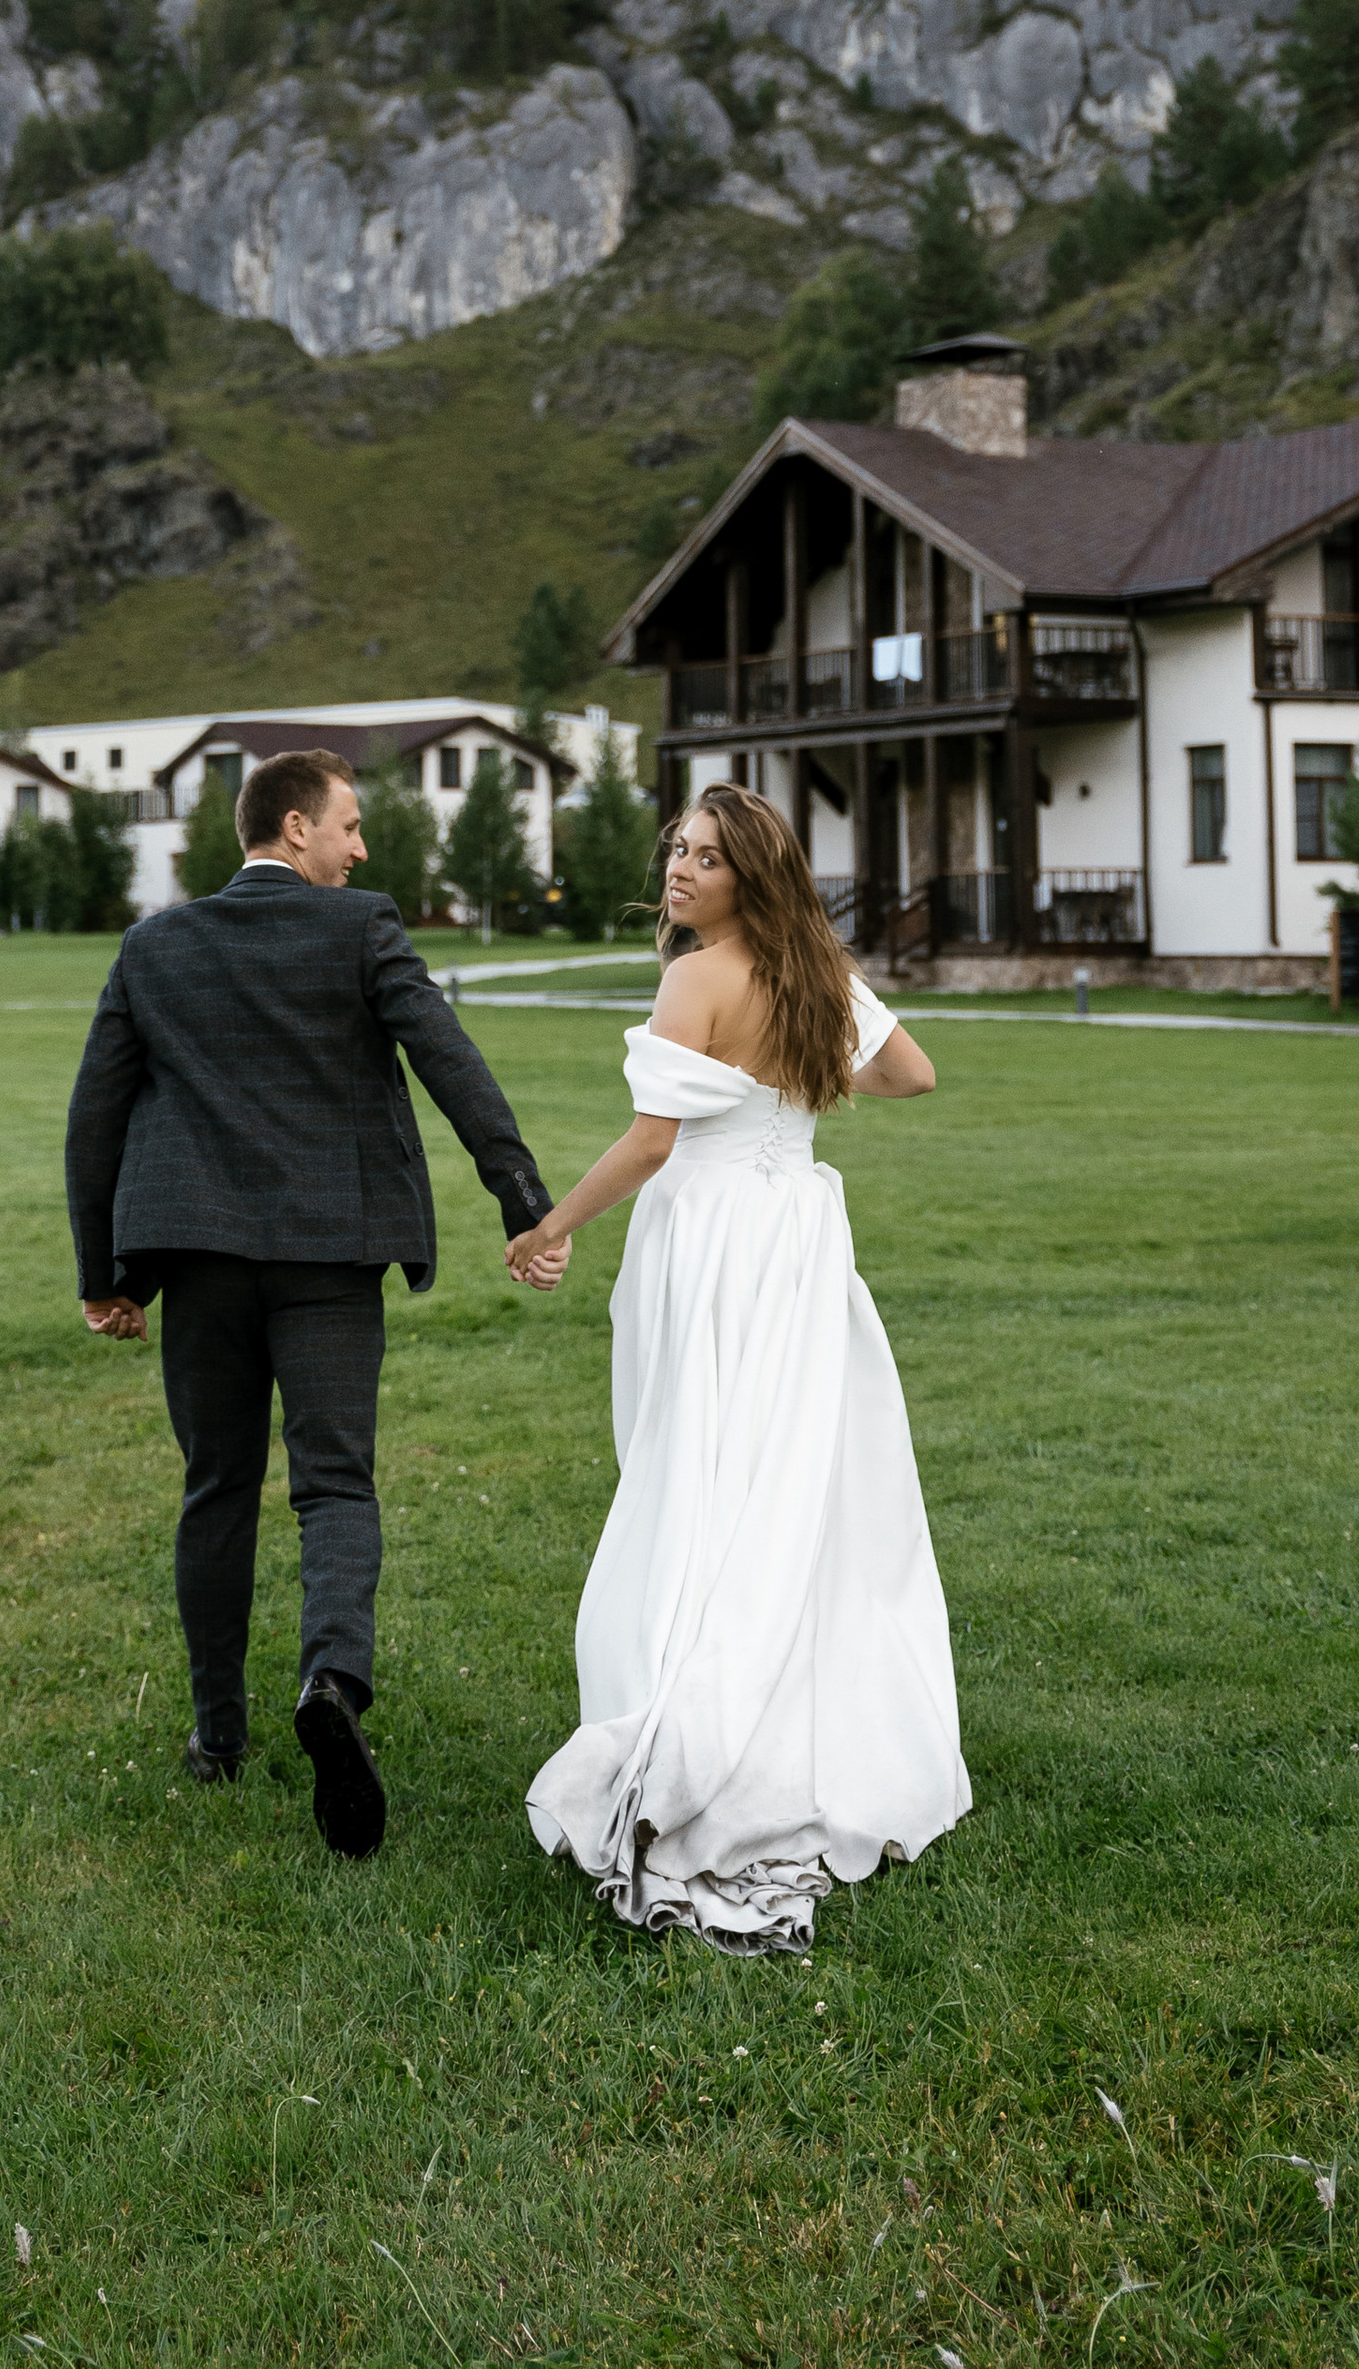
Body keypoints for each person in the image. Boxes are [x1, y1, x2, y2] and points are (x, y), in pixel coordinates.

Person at [65, 747, 553, 1861]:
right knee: (334, 1483)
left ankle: (217, 1736)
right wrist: (517, 1193)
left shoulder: (154, 946)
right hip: (331, 1256)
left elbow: (96, 1115)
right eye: (349, 827)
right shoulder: (363, 926)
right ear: (294, 829)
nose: (362, 848)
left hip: (197, 1260)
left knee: (217, 1485)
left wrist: (105, 1274)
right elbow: (446, 1055)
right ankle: (331, 1682)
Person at [508, 781, 971, 1954]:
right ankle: (808, 1711)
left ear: (747, 875)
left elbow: (653, 1141)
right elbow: (909, 1074)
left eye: (704, 860)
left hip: (712, 1239)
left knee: (697, 1467)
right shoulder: (817, 971)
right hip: (801, 1239)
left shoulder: (697, 975)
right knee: (788, 1472)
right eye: (676, 850)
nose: (678, 871)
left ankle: (702, 1719)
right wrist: (805, 1081)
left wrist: (550, 1225)